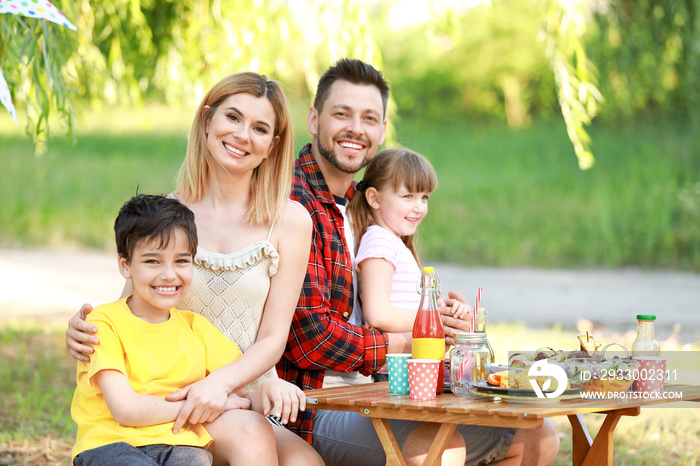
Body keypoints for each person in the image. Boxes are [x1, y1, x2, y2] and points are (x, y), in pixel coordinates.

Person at [278, 58, 560, 465]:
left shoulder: (369, 206)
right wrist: (420, 337)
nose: (356, 128)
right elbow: (312, 339)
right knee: (437, 448)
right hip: (317, 403)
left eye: (369, 118)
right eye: (342, 114)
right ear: (314, 119)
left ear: (382, 131)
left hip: (379, 390)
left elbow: (400, 296)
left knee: (538, 435)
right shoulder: (296, 202)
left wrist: (446, 324)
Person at [66, 72, 323, 465]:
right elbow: (134, 303)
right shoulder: (168, 213)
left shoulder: (289, 221)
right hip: (167, 393)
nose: (242, 135)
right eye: (232, 118)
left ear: (272, 146)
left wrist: (219, 385)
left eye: (259, 128)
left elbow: (272, 338)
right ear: (207, 121)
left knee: (305, 463)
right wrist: (84, 328)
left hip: (238, 392)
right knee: (249, 436)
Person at [71, 194, 283, 465]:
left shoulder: (196, 329)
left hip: (179, 444)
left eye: (181, 261)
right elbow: (125, 410)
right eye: (152, 261)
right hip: (112, 444)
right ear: (125, 265)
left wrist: (269, 391)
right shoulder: (104, 322)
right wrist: (197, 406)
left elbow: (240, 396)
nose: (169, 274)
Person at [349, 148, 468, 334]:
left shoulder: (392, 243)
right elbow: (377, 314)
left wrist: (440, 306)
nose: (419, 208)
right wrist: (434, 319)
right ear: (374, 198)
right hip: (393, 363)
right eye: (408, 196)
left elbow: (405, 304)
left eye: (424, 198)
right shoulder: (379, 242)